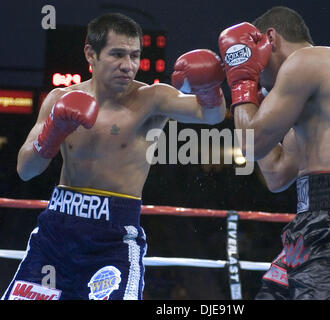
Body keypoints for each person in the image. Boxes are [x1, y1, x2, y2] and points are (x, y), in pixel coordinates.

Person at [2, 13, 226, 300]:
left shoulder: (152, 98)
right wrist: (52, 133)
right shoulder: (59, 99)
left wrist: (210, 88)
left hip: (113, 240)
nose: (128, 66)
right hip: (55, 235)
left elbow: (211, 116)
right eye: (117, 54)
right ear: (90, 53)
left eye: (135, 56)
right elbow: (25, 170)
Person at [218, 6, 330, 299]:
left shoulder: (308, 60)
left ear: (270, 40)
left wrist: (242, 84)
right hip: (315, 218)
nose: (255, 69)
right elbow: (276, 174)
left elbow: (251, 145)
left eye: (251, 56)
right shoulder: (309, 99)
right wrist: (255, 101)